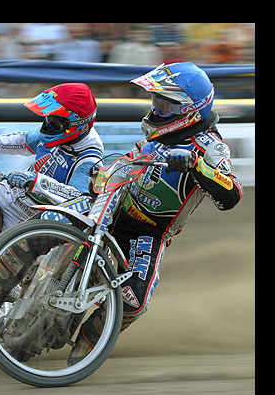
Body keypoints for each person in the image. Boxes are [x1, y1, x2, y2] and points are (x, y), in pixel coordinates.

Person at [69, 62, 243, 363]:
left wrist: (196, 165)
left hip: (149, 231)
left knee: (135, 301)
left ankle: (90, 336)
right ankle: (0, 293)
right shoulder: (156, 133)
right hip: (116, 204)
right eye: (156, 102)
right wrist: (101, 175)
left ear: (189, 110)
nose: (157, 110)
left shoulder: (211, 148)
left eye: (165, 105)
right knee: (56, 223)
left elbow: (232, 195)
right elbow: (128, 161)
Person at [0, 82, 104, 338]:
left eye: (54, 121)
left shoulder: (90, 157)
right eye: (47, 119)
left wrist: (38, 182)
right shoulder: (55, 128)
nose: (47, 126)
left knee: (11, 252)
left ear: (75, 124)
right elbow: (22, 140)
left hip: (39, 213)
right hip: (18, 194)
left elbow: (79, 198)